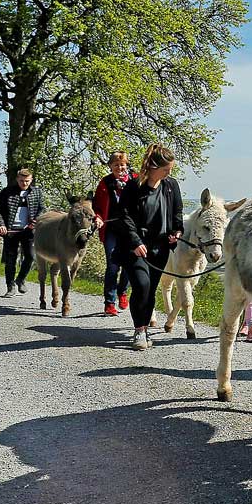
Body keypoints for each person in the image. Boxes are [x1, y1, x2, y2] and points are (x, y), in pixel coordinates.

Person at [113, 144, 184, 351]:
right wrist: (135, 242)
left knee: (151, 289)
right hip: (135, 247)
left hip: (160, 247)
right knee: (141, 285)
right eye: (166, 169)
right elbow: (124, 217)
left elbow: (177, 212)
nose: (169, 173)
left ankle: (144, 328)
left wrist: (176, 231)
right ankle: (139, 330)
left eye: (170, 169)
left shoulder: (171, 185)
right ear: (153, 167)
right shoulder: (134, 187)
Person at [93, 151, 137, 316]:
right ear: (110, 166)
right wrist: (98, 218)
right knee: (112, 266)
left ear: (127, 165)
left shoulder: (135, 179)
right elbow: (97, 206)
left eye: (122, 165)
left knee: (129, 264)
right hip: (111, 229)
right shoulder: (105, 183)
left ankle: (122, 291)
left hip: (130, 230)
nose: (119, 168)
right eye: (116, 165)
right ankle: (109, 303)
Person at [0, 168, 46, 297]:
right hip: (10, 231)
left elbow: (42, 209)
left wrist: (36, 221)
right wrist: (1, 225)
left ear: (31, 180)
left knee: (30, 256)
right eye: (21, 180)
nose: (24, 183)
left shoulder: (37, 192)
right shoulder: (7, 192)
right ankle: (10, 286)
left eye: (27, 181)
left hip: (28, 231)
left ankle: (21, 279)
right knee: (10, 259)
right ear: (17, 179)